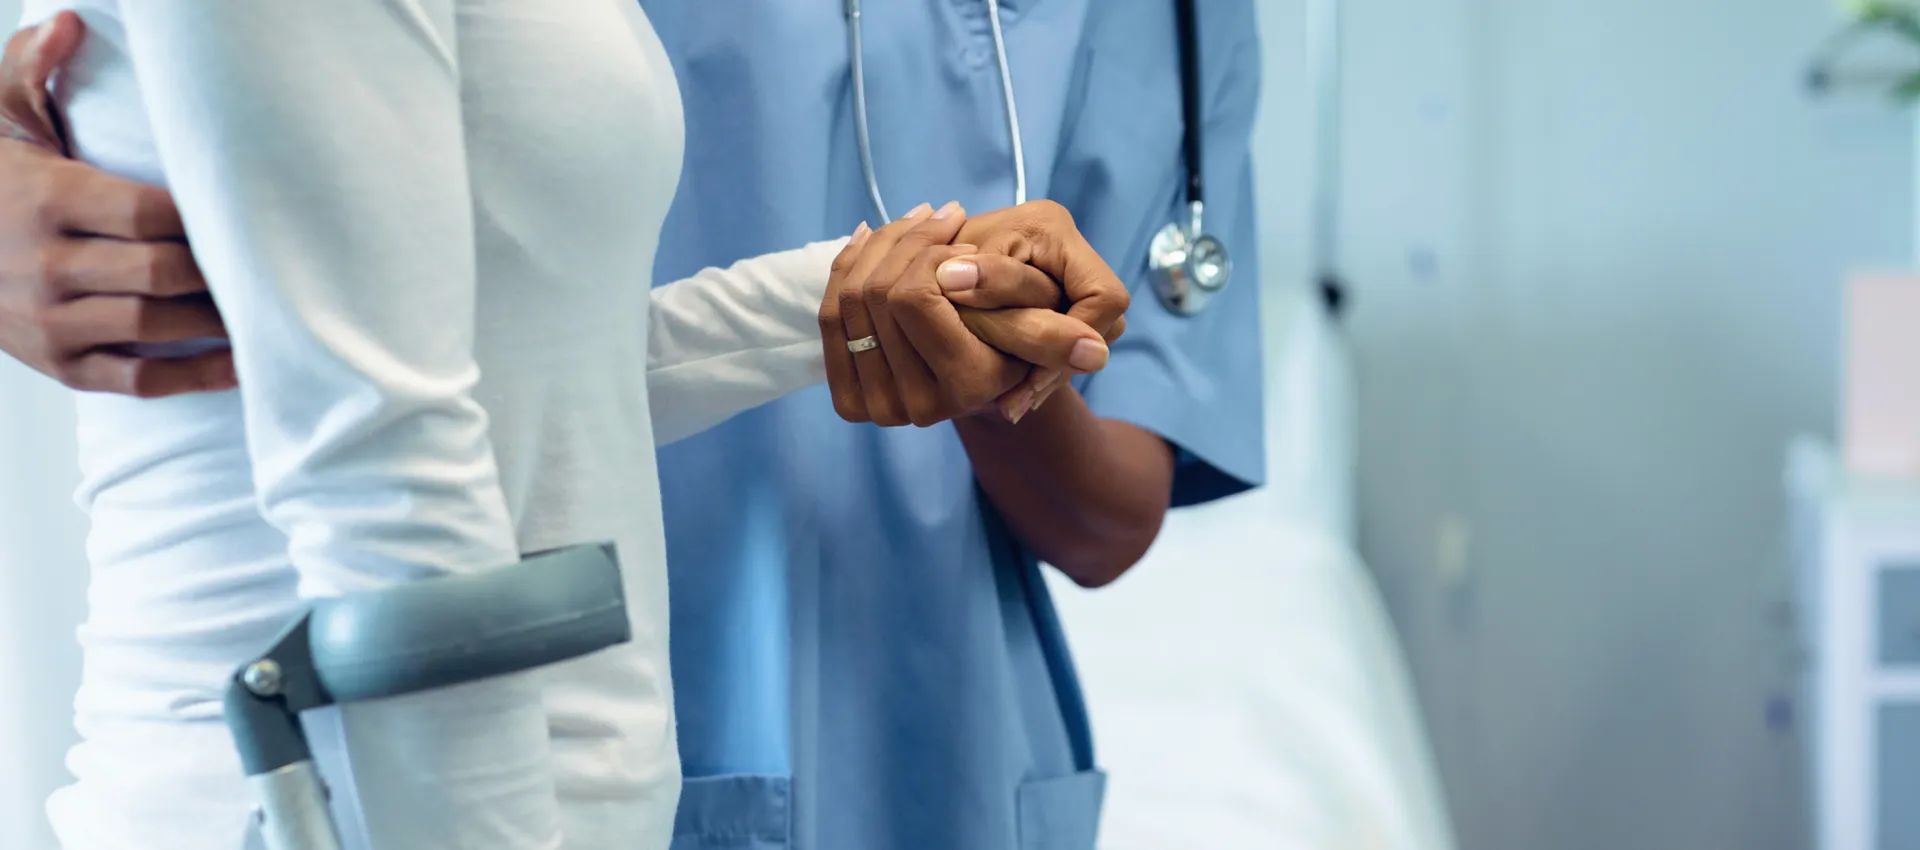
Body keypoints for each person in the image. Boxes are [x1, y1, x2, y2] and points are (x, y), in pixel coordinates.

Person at [1, 0, 1265, 847]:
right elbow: (384, 464)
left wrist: (937, 316)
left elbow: (538, 350)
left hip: (884, 734)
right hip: (406, 749)